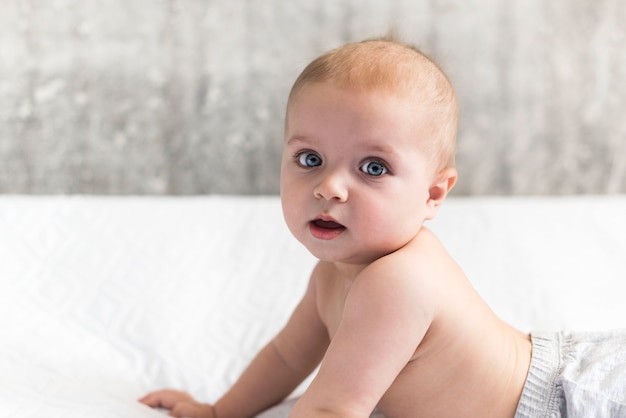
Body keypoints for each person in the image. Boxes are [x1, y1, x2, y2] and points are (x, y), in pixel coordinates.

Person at [139, 38, 626, 418]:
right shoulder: (333, 274)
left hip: (569, 402)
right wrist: (220, 411)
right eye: (310, 159)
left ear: (433, 194)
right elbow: (288, 357)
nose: (330, 187)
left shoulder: (397, 281)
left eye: (373, 168)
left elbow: (332, 408)